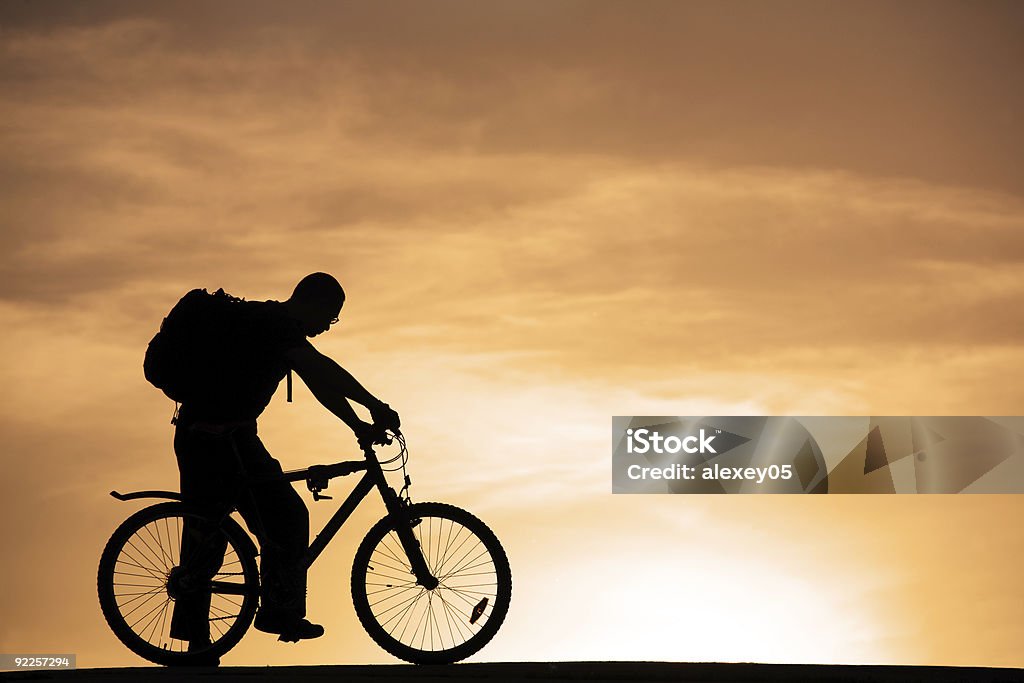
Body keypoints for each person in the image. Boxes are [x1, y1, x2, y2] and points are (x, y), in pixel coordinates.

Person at [167, 272, 399, 657]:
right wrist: (374, 406)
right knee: (212, 532)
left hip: (231, 436)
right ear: (312, 303)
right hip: (209, 438)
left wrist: (358, 424)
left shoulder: (277, 329)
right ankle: (250, 622)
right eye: (331, 315)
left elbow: (319, 383)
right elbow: (322, 370)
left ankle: (266, 615)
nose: (328, 326)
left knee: (250, 524)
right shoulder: (275, 326)